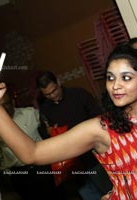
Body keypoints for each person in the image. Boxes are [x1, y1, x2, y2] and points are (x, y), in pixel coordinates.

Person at [0, 45, 137, 200]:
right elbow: (31, 153)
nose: (116, 86)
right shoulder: (101, 129)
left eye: (126, 78)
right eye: (110, 78)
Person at [35, 71, 112, 200]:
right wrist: (48, 132)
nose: (53, 96)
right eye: (47, 94)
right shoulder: (45, 108)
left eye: (54, 91)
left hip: (94, 157)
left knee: (109, 191)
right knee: (88, 194)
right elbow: (44, 134)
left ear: (59, 82)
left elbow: (99, 118)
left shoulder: (79, 94)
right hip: (71, 164)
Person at [0, 91, 61, 200]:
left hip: (42, 167)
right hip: (19, 174)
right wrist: (7, 173)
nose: (4, 108)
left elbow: (46, 133)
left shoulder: (30, 113)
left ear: (12, 102)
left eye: (6, 104)